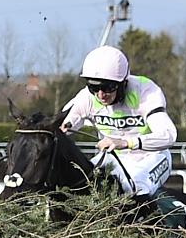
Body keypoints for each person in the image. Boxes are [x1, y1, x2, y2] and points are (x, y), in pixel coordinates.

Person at [60, 45, 177, 198]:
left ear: (123, 83)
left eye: (107, 87)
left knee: (134, 188)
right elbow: (63, 126)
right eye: (94, 87)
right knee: (82, 184)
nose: (101, 95)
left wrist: (126, 142)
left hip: (152, 157)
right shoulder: (86, 97)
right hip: (114, 157)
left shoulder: (146, 91)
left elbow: (169, 135)